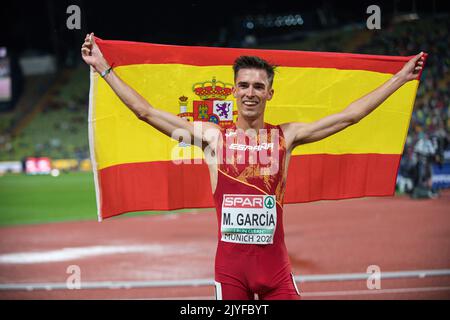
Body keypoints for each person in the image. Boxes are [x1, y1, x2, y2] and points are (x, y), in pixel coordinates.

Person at [81, 33, 425, 300]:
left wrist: (401, 78)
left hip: (275, 269)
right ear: (233, 91)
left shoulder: (286, 137)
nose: (250, 92)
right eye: (243, 85)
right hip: (231, 271)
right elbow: (147, 112)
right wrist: (104, 68)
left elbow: (351, 116)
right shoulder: (213, 139)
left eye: (258, 86)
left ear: (270, 94)